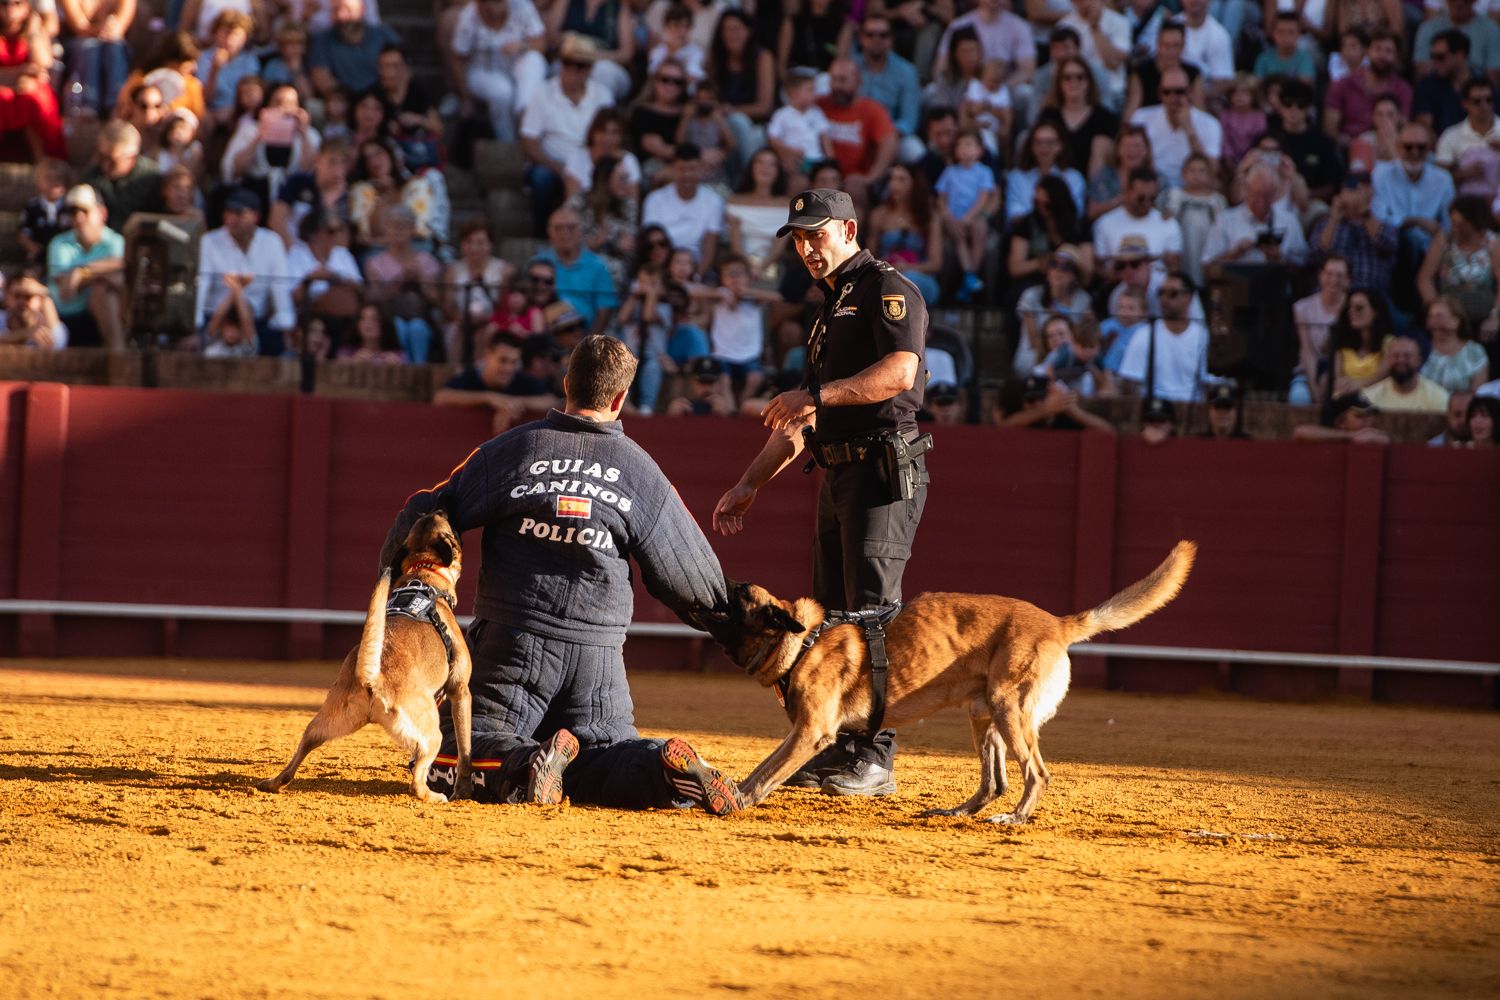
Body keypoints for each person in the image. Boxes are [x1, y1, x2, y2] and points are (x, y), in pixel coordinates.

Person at [382, 334, 742, 814]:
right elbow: (693, 581)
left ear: (568, 383)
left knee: (448, 751)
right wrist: (731, 627)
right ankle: (659, 768)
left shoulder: (513, 449)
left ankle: (526, 764)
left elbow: (429, 509)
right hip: (599, 660)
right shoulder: (641, 471)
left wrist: (397, 577)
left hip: (514, 644)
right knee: (604, 755)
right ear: (619, 399)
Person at [712, 188, 928, 798]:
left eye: (817, 234)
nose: (807, 247)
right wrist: (750, 482)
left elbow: (901, 372)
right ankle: (833, 746)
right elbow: (803, 424)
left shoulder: (888, 289)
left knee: (875, 617)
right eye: (799, 238)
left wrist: (818, 395)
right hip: (840, 475)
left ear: (850, 228)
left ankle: (876, 757)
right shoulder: (831, 309)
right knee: (833, 619)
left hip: (883, 471)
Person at [518, 33, 614, 234]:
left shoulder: (603, 95)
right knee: (541, 178)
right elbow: (529, 140)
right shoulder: (542, 92)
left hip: (591, 163)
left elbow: (611, 134)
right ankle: (542, 233)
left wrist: (587, 165)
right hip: (554, 164)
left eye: (579, 65)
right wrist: (558, 167)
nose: (572, 70)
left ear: (590, 69)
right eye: (567, 63)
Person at [195, 186, 296, 357]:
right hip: (216, 317)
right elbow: (201, 285)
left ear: (256, 216)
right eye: (228, 212)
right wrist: (195, 325)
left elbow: (280, 289)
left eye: (240, 213)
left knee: (277, 345)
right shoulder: (209, 241)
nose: (233, 218)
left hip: (256, 320)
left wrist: (286, 328)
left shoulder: (272, 242)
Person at [47, 185, 126, 350]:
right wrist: (103, 271)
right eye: (73, 212)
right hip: (67, 318)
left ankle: (118, 354)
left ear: (102, 213)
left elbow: (121, 271)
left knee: (103, 290)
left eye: (85, 211)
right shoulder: (59, 243)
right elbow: (67, 288)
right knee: (104, 284)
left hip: (104, 315)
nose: (79, 217)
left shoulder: (115, 241)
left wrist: (81, 272)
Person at [434, 331, 560, 431]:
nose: (508, 368)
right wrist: (489, 398)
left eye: (514, 362)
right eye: (503, 360)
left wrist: (515, 403)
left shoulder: (522, 379)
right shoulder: (470, 378)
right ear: (487, 356)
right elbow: (441, 397)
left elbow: (552, 401)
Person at [817, 58, 900, 211]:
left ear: (858, 82)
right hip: (820, 174)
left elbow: (889, 142)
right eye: (833, 79)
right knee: (799, 182)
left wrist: (872, 177)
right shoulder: (818, 104)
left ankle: (852, 234)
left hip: (854, 177)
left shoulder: (871, 109)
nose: (837, 86)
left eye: (843, 80)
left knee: (854, 187)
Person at [1117, 271, 1213, 402]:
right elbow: (1130, 383)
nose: (1164, 299)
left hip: (1193, 411)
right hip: (1154, 413)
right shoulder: (1144, 334)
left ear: (1189, 298)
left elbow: (1210, 385)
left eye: (1172, 294)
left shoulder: (1203, 336)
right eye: (1161, 293)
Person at [1201, 163, 1310, 271]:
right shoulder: (1225, 220)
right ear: (1246, 191)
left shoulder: (1289, 221)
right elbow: (1207, 267)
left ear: (1275, 193)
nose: (1260, 200)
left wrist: (1280, 258)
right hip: (1237, 285)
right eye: (1256, 194)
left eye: (1266, 195)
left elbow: (1304, 264)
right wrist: (1235, 253)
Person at [1128, 66, 1222, 189]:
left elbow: (1212, 169)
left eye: (1179, 92)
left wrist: (1190, 131)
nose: (1173, 98)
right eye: (1167, 92)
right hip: (1152, 185)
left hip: (1192, 187)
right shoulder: (1141, 118)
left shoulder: (1210, 124)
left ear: (1190, 92)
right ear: (1159, 93)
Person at [1417, 195, 1500, 332]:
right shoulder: (1444, 240)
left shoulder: (1493, 243)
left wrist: (1494, 317)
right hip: (1448, 313)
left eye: (1462, 225)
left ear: (1475, 223)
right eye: (1453, 223)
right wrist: (1436, 310)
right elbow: (1424, 279)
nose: (1455, 229)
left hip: (1484, 315)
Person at [935, 128, 998, 303]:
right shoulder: (950, 172)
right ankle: (969, 276)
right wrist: (948, 215)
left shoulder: (984, 171)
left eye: (969, 145)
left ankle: (972, 274)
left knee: (980, 231)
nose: (964, 149)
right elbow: (941, 197)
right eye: (960, 145)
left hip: (974, 217)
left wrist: (969, 217)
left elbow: (983, 197)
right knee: (959, 239)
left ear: (980, 150)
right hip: (955, 220)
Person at [1309, 171, 1399, 293]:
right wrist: (1335, 217)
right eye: (1354, 189)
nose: (1357, 194)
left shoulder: (1385, 225)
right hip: (1333, 295)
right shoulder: (1325, 224)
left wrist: (1364, 213)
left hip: (1371, 296)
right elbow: (1317, 255)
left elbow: (1387, 245)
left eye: (1364, 189)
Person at [641, 143, 725, 272]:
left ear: (701, 169)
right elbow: (652, 244)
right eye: (682, 169)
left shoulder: (714, 201)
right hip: (662, 267)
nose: (687, 175)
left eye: (692, 169)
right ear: (673, 169)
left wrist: (696, 277)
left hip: (695, 266)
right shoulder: (654, 200)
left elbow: (709, 249)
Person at [1323, 29, 1411, 149]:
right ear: (1368, 51)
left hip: (1388, 148)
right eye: (1377, 49)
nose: (1382, 56)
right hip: (1347, 149)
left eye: (1388, 51)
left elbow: (1402, 127)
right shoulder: (1342, 84)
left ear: (1396, 56)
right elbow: (1330, 128)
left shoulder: (1403, 89)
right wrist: (1355, 145)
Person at [309, 0, 401, 100]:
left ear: (362, 9)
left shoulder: (384, 35)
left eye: (348, 10)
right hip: (346, 103)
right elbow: (322, 79)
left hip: (384, 100)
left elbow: (402, 68)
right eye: (335, 10)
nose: (341, 16)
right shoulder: (322, 40)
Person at [80, 121, 163, 231]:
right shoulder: (91, 177)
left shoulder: (152, 179)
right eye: (101, 157)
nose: (105, 165)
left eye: (112, 160)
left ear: (132, 157)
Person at [1292, 255, 1351, 405]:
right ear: (1320, 275)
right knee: (1299, 397)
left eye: (1339, 275)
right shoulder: (1302, 307)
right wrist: (1314, 386)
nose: (1333, 280)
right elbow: (1307, 351)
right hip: (1309, 372)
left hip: (1343, 373)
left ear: (1348, 279)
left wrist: (1331, 379)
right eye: (1329, 274)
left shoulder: (1352, 307)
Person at [1420, 295, 1492, 392]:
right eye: (1430, 316)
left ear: (1457, 320)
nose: (1433, 321)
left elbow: (1478, 393)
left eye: (1439, 316)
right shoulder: (1419, 348)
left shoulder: (1475, 352)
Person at [998, 372, 1116, 430]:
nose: (1036, 403)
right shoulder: (1024, 419)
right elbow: (1005, 427)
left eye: (1041, 397)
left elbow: (1108, 433)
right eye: (1031, 399)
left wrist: (1075, 412)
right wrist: (1046, 409)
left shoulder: (1064, 415)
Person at [1362, 335, 1452, 412]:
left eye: (1407, 356)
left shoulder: (1438, 397)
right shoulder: (1369, 398)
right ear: (1388, 360)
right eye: (1396, 356)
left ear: (1419, 361)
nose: (1401, 360)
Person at [1292, 389, 1391, 443]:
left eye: (1370, 415)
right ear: (1341, 422)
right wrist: (1352, 436)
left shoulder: (1376, 437)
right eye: (1360, 416)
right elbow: (1300, 432)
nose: (1369, 421)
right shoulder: (1328, 437)